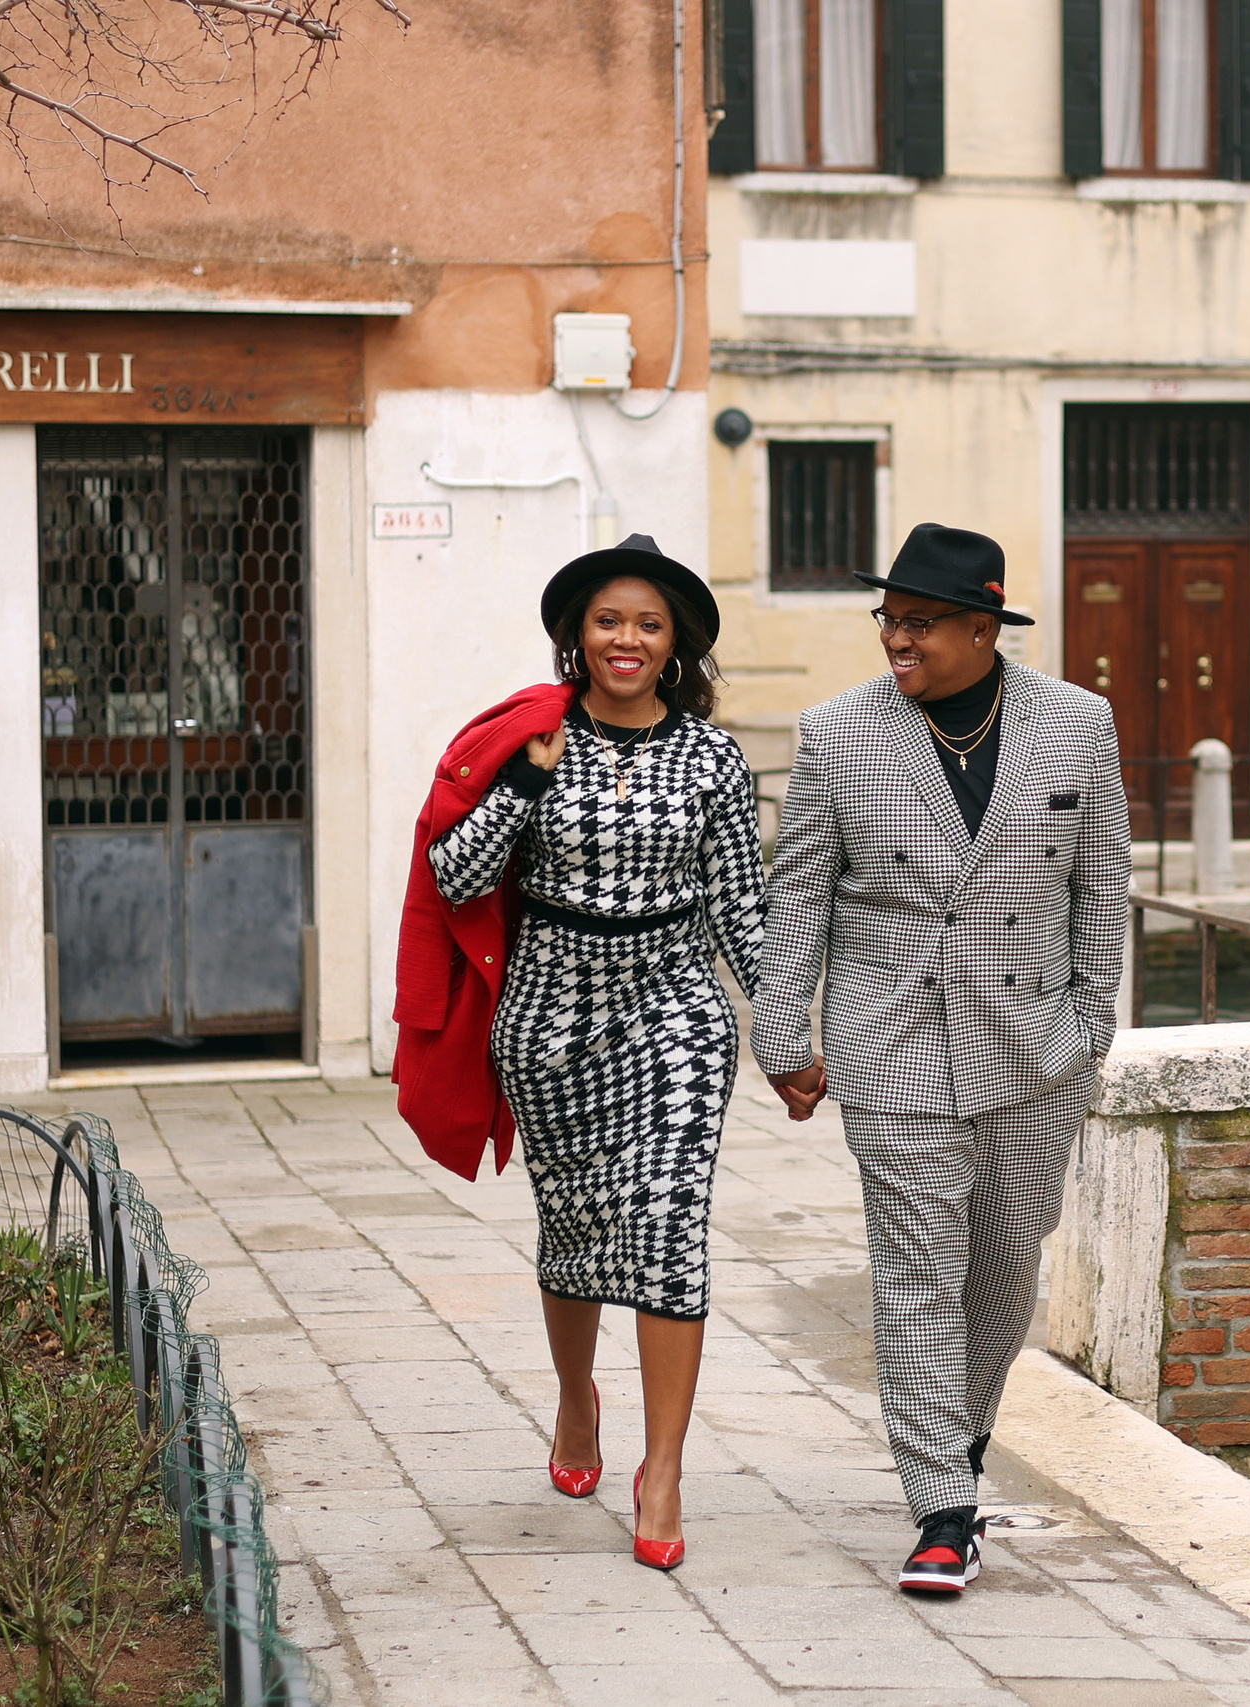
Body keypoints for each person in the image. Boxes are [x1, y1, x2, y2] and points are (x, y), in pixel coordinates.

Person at [751, 522, 1132, 1595]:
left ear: (981, 627)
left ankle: (956, 1445)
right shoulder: (835, 736)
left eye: (919, 623)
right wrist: (782, 1033)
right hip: (893, 1042)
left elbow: (1101, 888)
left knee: (1006, 1266)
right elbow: (801, 897)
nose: (896, 639)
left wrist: (1092, 1027)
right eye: (889, 618)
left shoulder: (1077, 724)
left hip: (1033, 1048)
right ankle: (941, 1507)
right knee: (919, 1273)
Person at [395, 534, 763, 1573]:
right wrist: (521, 784)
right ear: (578, 636)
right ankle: (574, 1400)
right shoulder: (532, 740)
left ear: (676, 642)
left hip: (675, 1010)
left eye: (649, 623)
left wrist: (786, 1030)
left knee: (668, 1225)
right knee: (576, 1232)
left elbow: (741, 907)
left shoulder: (712, 759)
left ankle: (663, 1469)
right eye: (609, 621)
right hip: (552, 1017)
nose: (628, 639)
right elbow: (455, 877)